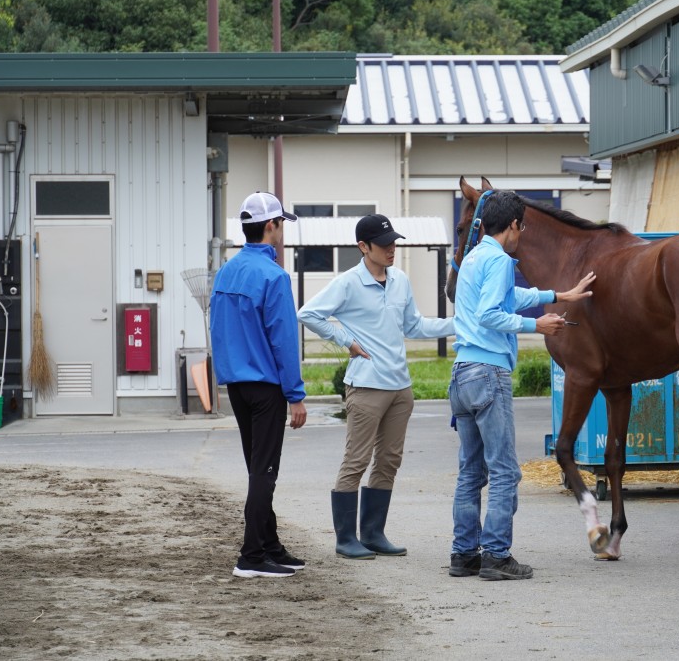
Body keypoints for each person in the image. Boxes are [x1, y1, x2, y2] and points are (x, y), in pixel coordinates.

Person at [448, 190, 596, 581]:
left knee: (470, 472)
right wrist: (538, 324)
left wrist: (557, 295)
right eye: (522, 227)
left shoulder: (475, 256)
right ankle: (496, 555)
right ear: (513, 225)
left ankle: (464, 555)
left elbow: (508, 296)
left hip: (462, 373)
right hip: (489, 372)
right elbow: (491, 313)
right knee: (504, 472)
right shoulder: (500, 259)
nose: (522, 234)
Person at [298, 214, 455, 560]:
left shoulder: (400, 281)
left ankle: (372, 533)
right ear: (363, 247)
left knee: (388, 461)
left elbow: (414, 326)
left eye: (393, 243)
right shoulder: (348, 283)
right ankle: (345, 539)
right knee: (356, 461)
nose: (391, 250)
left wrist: (459, 325)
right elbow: (308, 313)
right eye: (383, 245)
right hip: (367, 387)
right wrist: (345, 340)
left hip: (401, 388)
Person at [210, 191, 308, 578]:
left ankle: (270, 546)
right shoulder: (273, 276)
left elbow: (217, 329)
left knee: (257, 467)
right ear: (271, 226)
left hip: (235, 384)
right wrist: (295, 395)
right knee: (264, 472)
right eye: (281, 223)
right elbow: (284, 339)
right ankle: (251, 557)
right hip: (266, 387)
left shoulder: (226, 271)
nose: (281, 230)